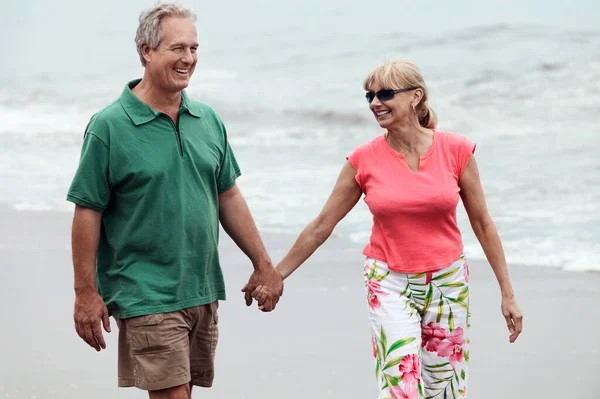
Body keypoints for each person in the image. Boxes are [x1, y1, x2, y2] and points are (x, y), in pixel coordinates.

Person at [247, 58, 523, 399]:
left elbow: (482, 223)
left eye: (385, 94)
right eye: (369, 96)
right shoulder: (363, 160)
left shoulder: (457, 150)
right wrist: (276, 275)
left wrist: (507, 293)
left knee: (444, 390)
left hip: (448, 281)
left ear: (416, 97)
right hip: (388, 281)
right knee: (401, 389)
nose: (375, 103)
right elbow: (322, 225)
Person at [66, 3, 282, 398]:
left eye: (194, 49)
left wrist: (264, 265)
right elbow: (87, 209)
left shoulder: (208, 120)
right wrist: (85, 292)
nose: (188, 59)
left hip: (201, 288)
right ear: (147, 50)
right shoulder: (109, 126)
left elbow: (228, 195)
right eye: (177, 48)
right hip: (145, 291)